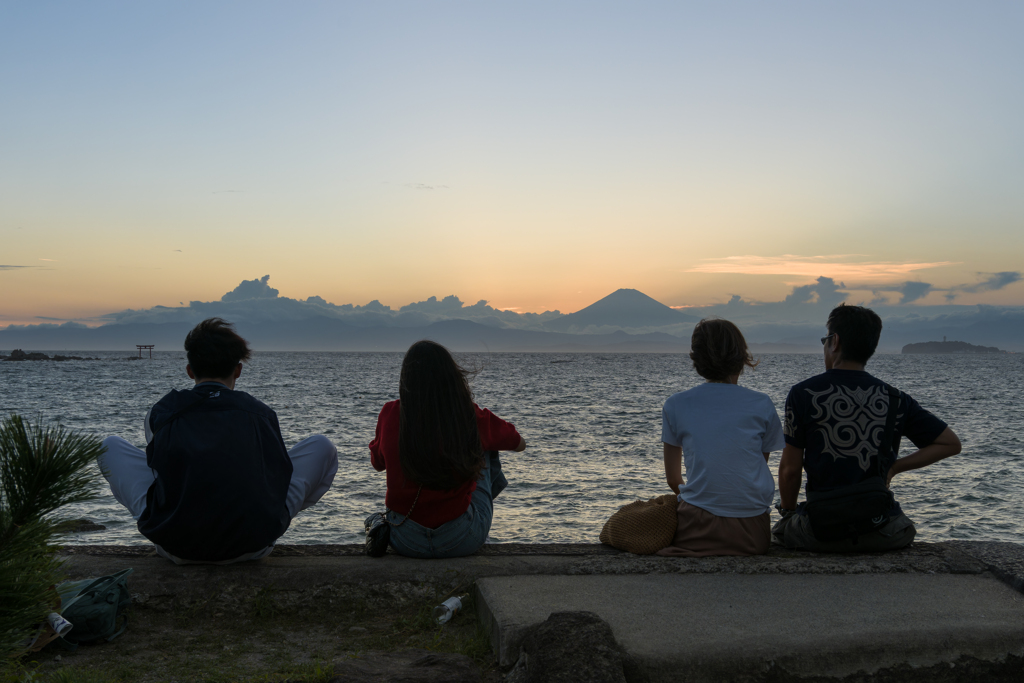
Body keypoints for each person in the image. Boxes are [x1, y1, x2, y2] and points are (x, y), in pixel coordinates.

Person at [99, 318, 338, 564]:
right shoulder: (260, 413)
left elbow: (159, 468)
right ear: (238, 370)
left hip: (176, 547)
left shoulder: (162, 412)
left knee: (110, 446)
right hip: (253, 546)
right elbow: (275, 471)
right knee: (322, 445)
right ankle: (268, 519)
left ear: (190, 370)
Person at [773, 304, 961, 552]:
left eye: (824, 339)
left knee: (779, 534)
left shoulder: (803, 393)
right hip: (882, 530)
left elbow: (789, 470)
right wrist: (894, 468)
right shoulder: (895, 398)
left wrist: (787, 514)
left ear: (835, 341)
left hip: (821, 531)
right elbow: (950, 443)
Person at [369, 340, 525, 558]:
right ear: (451, 378)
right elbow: (518, 443)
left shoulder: (390, 413)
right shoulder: (468, 415)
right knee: (485, 447)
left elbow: (377, 464)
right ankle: (474, 518)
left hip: (404, 540)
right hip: (460, 540)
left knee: (479, 441)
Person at [656, 319, 784, 557]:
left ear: (697, 361)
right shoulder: (762, 403)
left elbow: (674, 479)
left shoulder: (676, 404)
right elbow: (754, 467)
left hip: (696, 528)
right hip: (753, 533)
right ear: (741, 357)